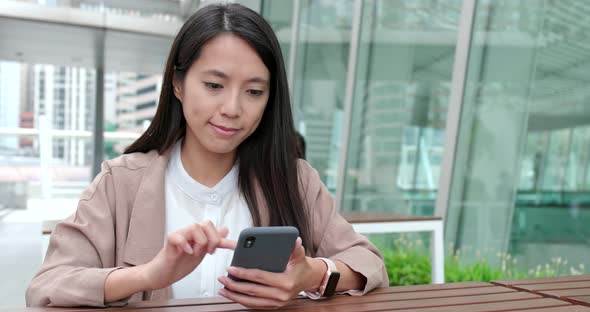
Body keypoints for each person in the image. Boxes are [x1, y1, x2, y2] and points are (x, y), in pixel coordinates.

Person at [26, 3, 388, 309]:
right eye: (214, 85)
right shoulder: (121, 183)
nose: (232, 108)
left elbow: (369, 264)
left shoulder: (294, 179)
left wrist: (313, 274)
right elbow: (47, 286)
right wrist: (148, 275)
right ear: (178, 83)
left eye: (254, 91)